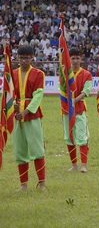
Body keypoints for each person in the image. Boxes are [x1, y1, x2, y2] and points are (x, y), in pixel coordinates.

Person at [12, 45, 47, 191]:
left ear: (32, 58)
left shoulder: (39, 74)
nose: (24, 61)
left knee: (37, 148)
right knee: (20, 149)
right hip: (16, 115)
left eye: (27, 58)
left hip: (31, 115)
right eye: (21, 58)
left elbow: (38, 95)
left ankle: (42, 183)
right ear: (17, 58)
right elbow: (9, 94)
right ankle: (24, 184)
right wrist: (13, 106)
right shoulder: (12, 74)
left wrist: (25, 111)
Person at [61, 47, 93, 173]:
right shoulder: (64, 73)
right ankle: (74, 164)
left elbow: (86, 91)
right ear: (69, 59)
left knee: (81, 136)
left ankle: (84, 164)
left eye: (77, 58)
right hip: (66, 110)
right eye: (72, 58)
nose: (75, 61)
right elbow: (61, 88)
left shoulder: (86, 74)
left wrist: (74, 101)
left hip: (79, 109)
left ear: (81, 59)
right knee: (69, 137)